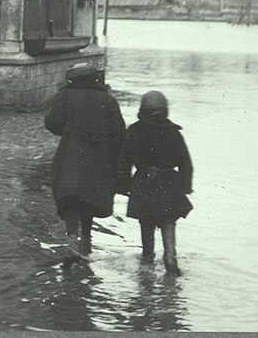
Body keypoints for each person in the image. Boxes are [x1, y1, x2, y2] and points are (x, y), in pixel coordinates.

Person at [44, 63, 125, 262]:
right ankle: (87, 241)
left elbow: (52, 123)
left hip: (71, 152)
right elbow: (120, 133)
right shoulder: (109, 100)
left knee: (71, 196)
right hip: (100, 156)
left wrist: (69, 127)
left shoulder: (65, 96)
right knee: (89, 195)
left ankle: (72, 239)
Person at [117, 90, 194, 274]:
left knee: (146, 222)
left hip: (144, 184)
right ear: (165, 109)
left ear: (143, 109)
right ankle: (170, 259)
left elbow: (124, 162)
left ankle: (147, 262)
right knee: (169, 221)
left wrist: (124, 186)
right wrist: (185, 187)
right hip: (170, 184)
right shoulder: (174, 132)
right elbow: (186, 163)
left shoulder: (134, 131)